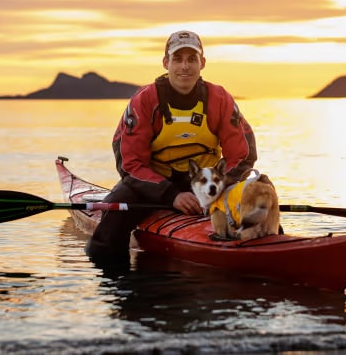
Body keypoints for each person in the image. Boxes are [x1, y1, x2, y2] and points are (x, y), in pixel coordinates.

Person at [86, 30, 258, 265]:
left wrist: (213, 190)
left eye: (191, 59)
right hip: (154, 185)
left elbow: (242, 155)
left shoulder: (219, 99)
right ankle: (117, 287)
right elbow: (130, 163)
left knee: (260, 193)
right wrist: (172, 195)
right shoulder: (145, 100)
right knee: (113, 218)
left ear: (202, 63)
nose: (184, 67)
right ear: (166, 62)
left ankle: (269, 250)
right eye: (177, 59)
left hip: (210, 184)